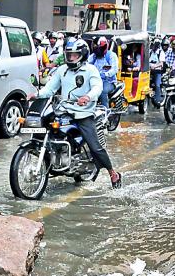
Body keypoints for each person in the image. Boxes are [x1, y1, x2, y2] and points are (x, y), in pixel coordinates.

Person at [35, 38, 121, 189]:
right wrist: (37, 94)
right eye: (69, 55)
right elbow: (50, 88)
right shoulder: (62, 70)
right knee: (44, 128)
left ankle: (112, 173)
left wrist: (87, 97)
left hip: (84, 112)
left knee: (95, 147)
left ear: (82, 55)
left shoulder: (90, 70)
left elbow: (97, 88)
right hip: (63, 110)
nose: (71, 58)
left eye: (74, 55)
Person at [87, 36, 118, 108]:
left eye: (100, 48)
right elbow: (87, 65)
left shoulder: (111, 56)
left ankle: (105, 111)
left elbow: (114, 69)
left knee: (102, 91)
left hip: (109, 82)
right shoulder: (93, 56)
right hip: (95, 80)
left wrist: (106, 74)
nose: (98, 50)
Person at [149, 38, 167, 107]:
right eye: (153, 45)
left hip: (158, 71)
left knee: (157, 84)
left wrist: (155, 66)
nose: (154, 47)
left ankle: (158, 100)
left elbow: (161, 63)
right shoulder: (150, 52)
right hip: (150, 70)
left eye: (156, 46)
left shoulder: (160, 52)